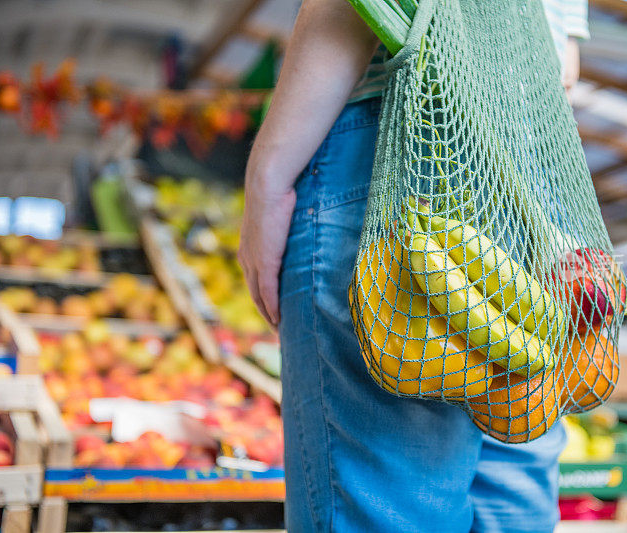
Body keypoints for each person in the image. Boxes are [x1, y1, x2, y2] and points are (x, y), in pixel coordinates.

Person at [238, 1, 589, 530]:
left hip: (395, 158)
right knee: (511, 505)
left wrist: (266, 181)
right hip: (529, 179)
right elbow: (565, 69)